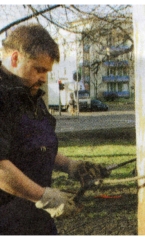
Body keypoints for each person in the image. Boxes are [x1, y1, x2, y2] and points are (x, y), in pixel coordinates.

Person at [0, 24, 110, 235]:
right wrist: (44, 197)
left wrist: (71, 165)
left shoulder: (29, 93)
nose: (43, 78)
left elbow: (37, 145)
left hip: (36, 217)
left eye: (47, 71)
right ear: (14, 59)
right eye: (38, 69)